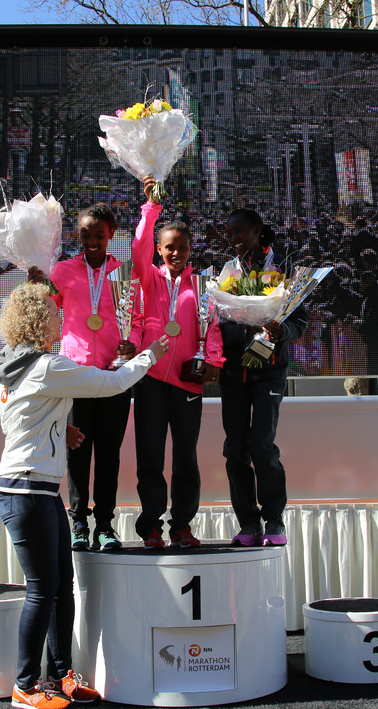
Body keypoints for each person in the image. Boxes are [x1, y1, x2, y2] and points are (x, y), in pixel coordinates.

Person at [0, 282, 168, 709]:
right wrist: (149, 355)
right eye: (54, 314)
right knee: (41, 590)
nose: (61, 319)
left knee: (59, 587)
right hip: (26, 490)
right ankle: (25, 686)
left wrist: (59, 427)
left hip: (36, 489)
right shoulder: (46, 366)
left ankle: (61, 675)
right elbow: (113, 383)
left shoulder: (10, 364)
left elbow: (16, 420)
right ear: (37, 322)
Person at [28, 200, 131, 552]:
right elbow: (47, 309)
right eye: (86, 235)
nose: (92, 241)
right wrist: (37, 288)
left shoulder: (124, 273)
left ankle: (105, 525)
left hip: (113, 376)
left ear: (111, 234)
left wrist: (132, 344)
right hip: (74, 376)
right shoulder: (62, 272)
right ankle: (78, 524)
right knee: (76, 452)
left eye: (99, 235)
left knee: (109, 454)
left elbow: (136, 317)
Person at [130, 177, 223, 549]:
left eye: (182, 247)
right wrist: (151, 208)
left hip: (187, 380)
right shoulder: (148, 279)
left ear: (190, 250)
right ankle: (151, 525)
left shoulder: (200, 286)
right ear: (159, 249)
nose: (176, 253)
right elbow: (138, 247)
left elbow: (212, 328)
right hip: (151, 378)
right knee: (150, 455)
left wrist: (214, 359)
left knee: (186, 456)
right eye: (169, 247)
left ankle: (182, 524)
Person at [218, 209, 308, 547]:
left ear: (258, 230)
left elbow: (299, 321)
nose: (233, 239)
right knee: (234, 449)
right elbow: (218, 317)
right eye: (229, 233)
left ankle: (274, 519)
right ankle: (248, 522)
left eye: (240, 231)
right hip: (234, 371)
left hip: (269, 369)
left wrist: (280, 330)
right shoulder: (227, 272)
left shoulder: (284, 269)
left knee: (262, 445)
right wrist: (240, 327)